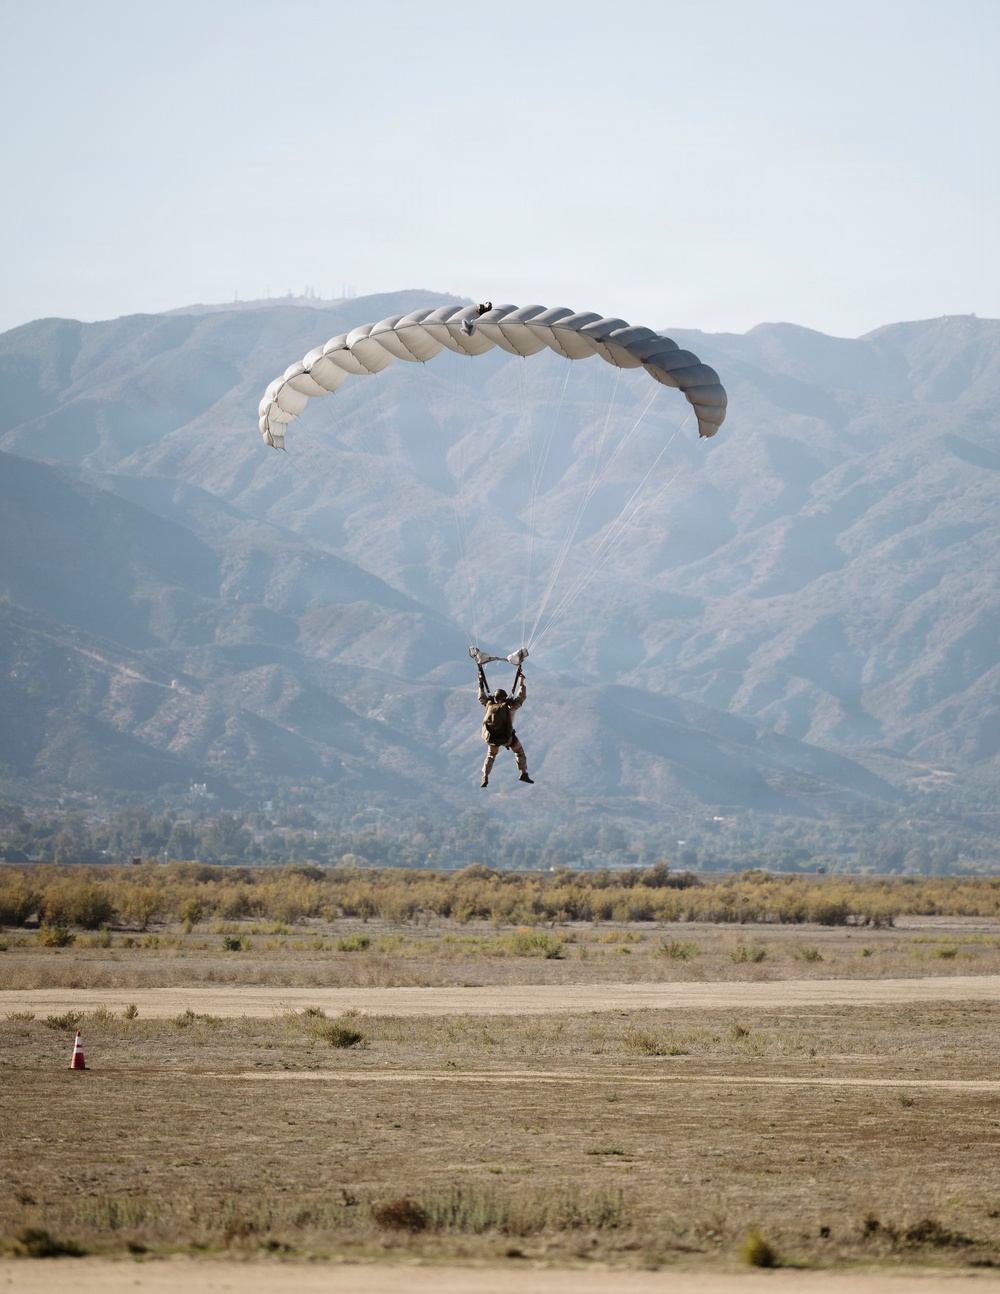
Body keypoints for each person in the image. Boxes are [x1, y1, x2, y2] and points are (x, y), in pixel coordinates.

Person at [478, 666, 533, 787]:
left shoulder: (489, 705)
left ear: (495, 697)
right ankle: (523, 773)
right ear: (505, 697)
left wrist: (481, 683)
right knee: (519, 751)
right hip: (508, 738)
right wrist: (521, 683)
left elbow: (481, 698)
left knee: (491, 756)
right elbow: (521, 697)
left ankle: (485, 777)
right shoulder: (510, 707)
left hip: (492, 738)